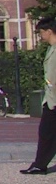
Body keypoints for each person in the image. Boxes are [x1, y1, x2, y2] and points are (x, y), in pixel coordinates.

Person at [22, 17, 56, 175]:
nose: (41, 36)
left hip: (54, 100)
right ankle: (40, 164)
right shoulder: (51, 48)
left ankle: (40, 165)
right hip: (51, 99)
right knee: (47, 132)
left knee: (46, 133)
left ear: (49, 31)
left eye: (42, 32)